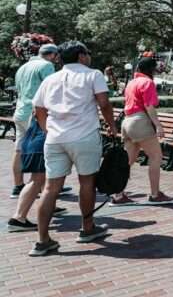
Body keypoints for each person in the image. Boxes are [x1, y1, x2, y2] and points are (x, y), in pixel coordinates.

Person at [29, 41, 120, 256]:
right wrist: (113, 127)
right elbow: (104, 104)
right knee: (86, 182)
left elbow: (38, 109)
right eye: (88, 53)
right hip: (84, 135)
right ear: (81, 56)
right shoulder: (92, 74)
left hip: (55, 138)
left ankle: (43, 240)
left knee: (51, 188)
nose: (90, 57)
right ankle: (87, 229)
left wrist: (47, 130)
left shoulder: (51, 79)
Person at [111, 56, 173, 205]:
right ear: (151, 70)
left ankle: (118, 195)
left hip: (127, 122)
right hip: (140, 121)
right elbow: (149, 106)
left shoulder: (131, 83)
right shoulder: (147, 82)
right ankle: (155, 194)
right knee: (156, 157)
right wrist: (158, 125)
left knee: (127, 162)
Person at [10, 43, 61, 200]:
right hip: (36, 114)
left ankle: (18, 186)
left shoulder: (23, 67)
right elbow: (51, 90)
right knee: (42, 151)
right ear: (52, 55)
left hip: (20, 112)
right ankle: (44, 188)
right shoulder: (46, 65)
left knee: (19, 150)